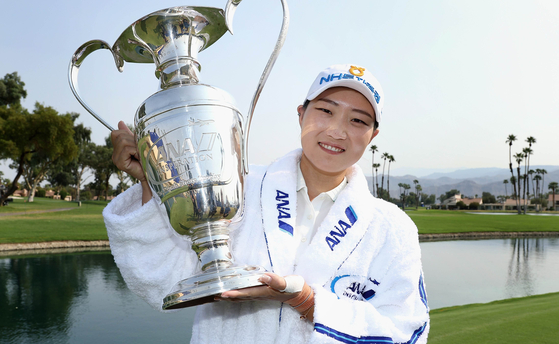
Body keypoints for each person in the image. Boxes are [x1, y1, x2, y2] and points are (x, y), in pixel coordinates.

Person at [104, 64, 430, 344]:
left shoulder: (392, 228)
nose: (337, 130)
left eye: (357, 121)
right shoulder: (237, 185)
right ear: (302, 114)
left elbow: (406, 332)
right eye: (326, 110)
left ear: (373, 135)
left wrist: (307, 300)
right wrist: (149, 180)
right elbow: (161, 278)